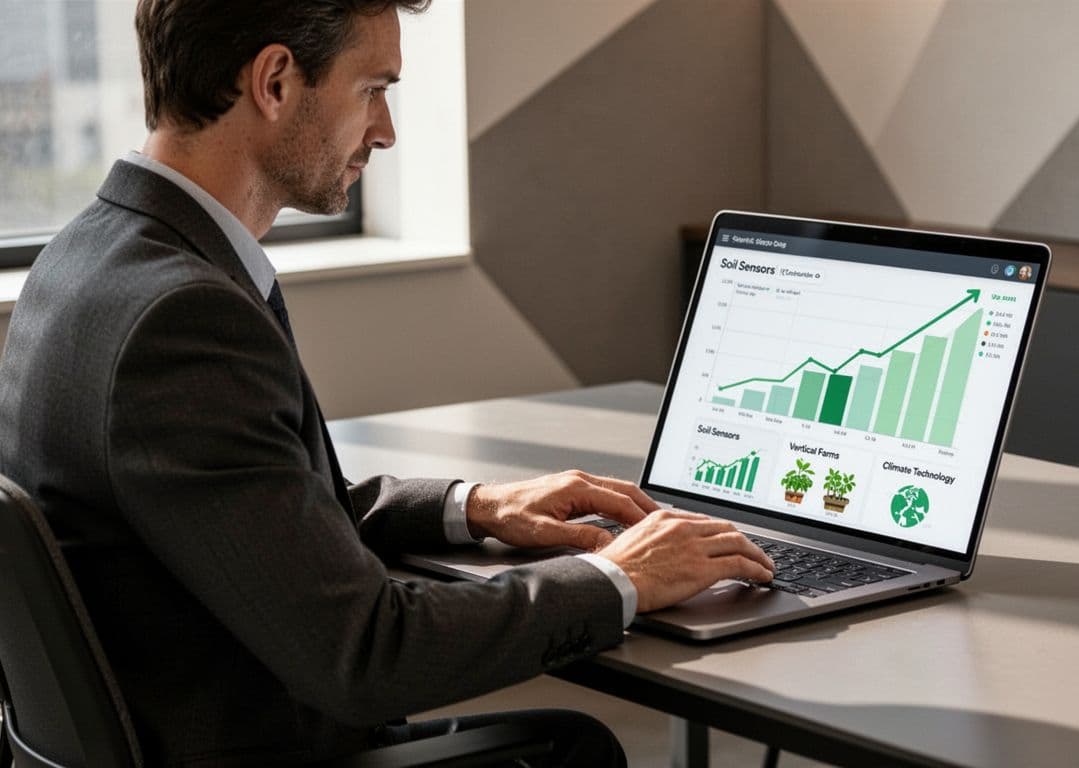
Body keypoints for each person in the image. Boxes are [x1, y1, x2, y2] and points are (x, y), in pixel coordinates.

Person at [0, 1, 774, 766]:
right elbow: (367, 655)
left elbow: (255, 526)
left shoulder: (85, 260)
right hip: (262, 744)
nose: (386, 130)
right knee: (568, 750)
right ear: (274, 81)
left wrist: (477, 507)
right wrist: (621, 577)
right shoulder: (183, 316)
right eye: (373, 89)